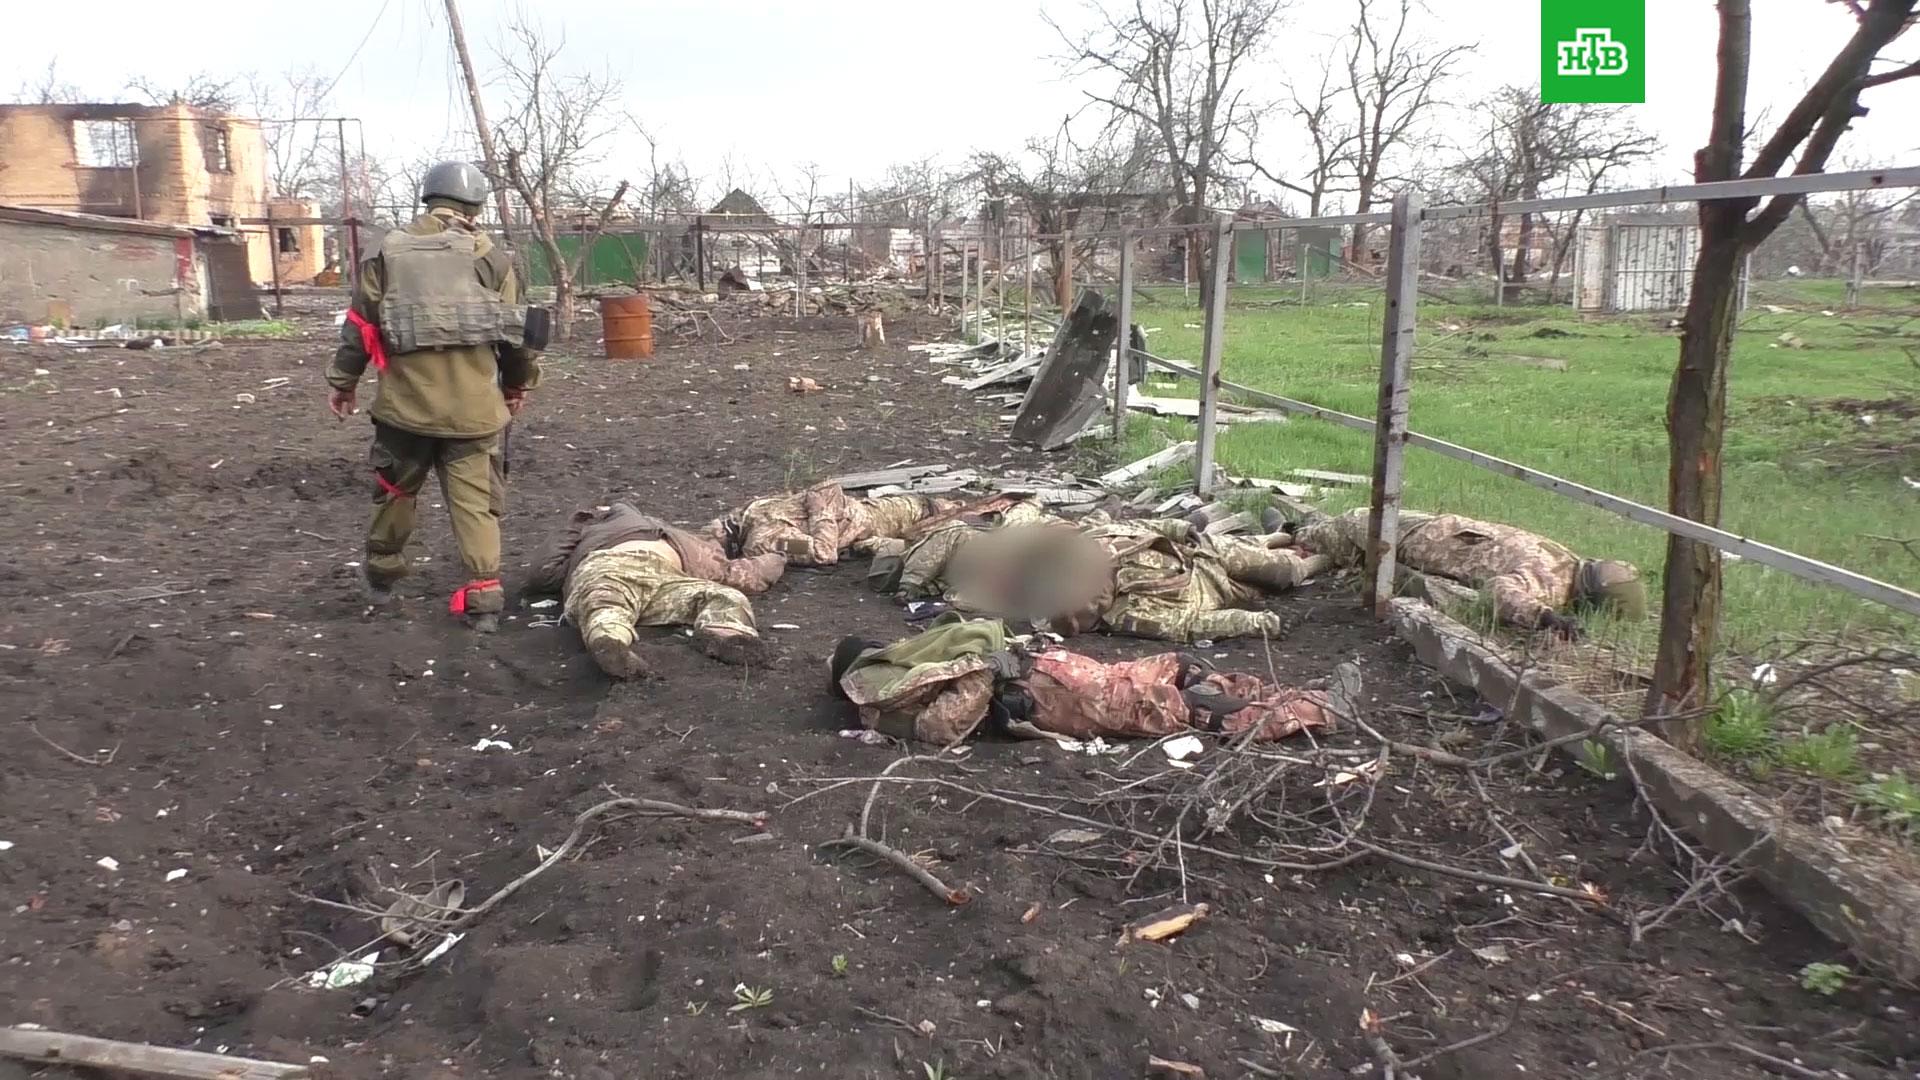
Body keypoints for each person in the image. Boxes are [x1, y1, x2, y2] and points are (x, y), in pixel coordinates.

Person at [325, 160, 540, 632]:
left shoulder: (387, 250)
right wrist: (516, 386)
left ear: (429, 199)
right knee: (475, 501)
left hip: (405, 411)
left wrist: (343, 382)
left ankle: (382, 578)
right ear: (475, 206)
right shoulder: (491, 258)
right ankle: (484, 599)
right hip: (473, 414)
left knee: (395, 492)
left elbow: (360, 326)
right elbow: (516, 337)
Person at [829, 615, 1359, 746]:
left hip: (1059, 671)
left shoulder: (912, 667)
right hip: (1055, 700)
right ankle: (1319, 710)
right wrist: (987, 674)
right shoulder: (886, 706)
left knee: (1182, 668)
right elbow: (940, 728)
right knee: (1185, 707)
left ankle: (1284, 693)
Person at [886, 509, 1330, 644]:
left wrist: (1179, 529)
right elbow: (1191, 626)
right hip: (1207, 587)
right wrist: (1257, 622)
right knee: (1286, 573)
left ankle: (1290, 535)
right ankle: (1315, 553)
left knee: (1271, 559)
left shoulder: (1085, 546)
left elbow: (1130, 526)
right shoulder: (1126, 611)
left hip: (1199, 551)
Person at [1286, 508, 1645, 637]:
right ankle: (1299, 531)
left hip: (1431, 535)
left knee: (1347, 531)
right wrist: (1548, 617)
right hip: (1431, 535)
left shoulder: (1559, 570)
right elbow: (1502, 587)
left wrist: (1546, 617)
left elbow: (1501, 589)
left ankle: (1297, 531)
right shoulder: (1558, 575)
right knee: (1351, 526)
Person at [526, 503, 786, 677]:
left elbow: (542, 572)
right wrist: (777, 557)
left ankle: (726, 637)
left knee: (724, 596)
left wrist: (576, 524)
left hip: (662, 575)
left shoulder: (688, 542)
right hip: (617, 566)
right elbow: (744, 574)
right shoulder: (686, 542)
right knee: (606, 599)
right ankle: (610, 644)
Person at [704, 482, 971, 568]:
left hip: (861, 510)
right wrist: (820, 509)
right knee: (944, 519)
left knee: (933, 507)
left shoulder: (750, 512)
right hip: (869, 526)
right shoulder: (765, 541)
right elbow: (822, 551)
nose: (723, 521)